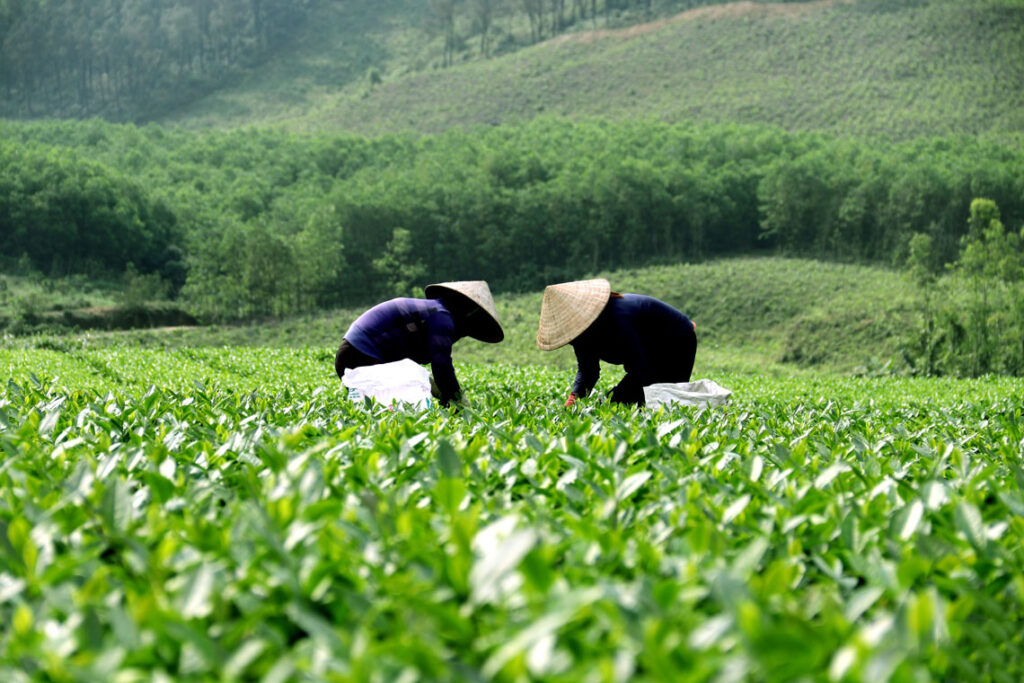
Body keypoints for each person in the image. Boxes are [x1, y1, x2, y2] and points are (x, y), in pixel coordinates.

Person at [335, 280, 503, 406]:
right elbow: (441, 364)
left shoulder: (434, 311)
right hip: (359, 356)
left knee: (415, 387)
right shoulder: (441, 317)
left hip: (352, 355)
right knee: (396, 401)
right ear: (466, 315)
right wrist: (457, 401)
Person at [536, 278, 697, 407]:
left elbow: (641, 372)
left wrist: (618, 397)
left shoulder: (619, 317)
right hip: (648, 356)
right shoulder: (581, 335)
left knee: (663, 399)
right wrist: (574, 398)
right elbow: (588, 371)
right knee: (614, 404)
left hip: (677, 343)